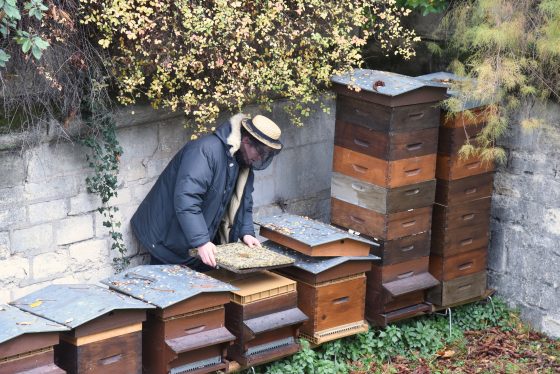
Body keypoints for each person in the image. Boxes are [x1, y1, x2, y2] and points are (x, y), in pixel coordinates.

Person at [131, 113, 282, 271]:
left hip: (193, 239)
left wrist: (247, 232)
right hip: (166, 237)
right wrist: (202, 242)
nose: (260, 159)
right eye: (260, 153)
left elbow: (244, 202)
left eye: (265, 155)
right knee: (167, 287)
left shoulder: (243, 162)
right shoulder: (205, 151)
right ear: (246, 141)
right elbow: (187, 199)